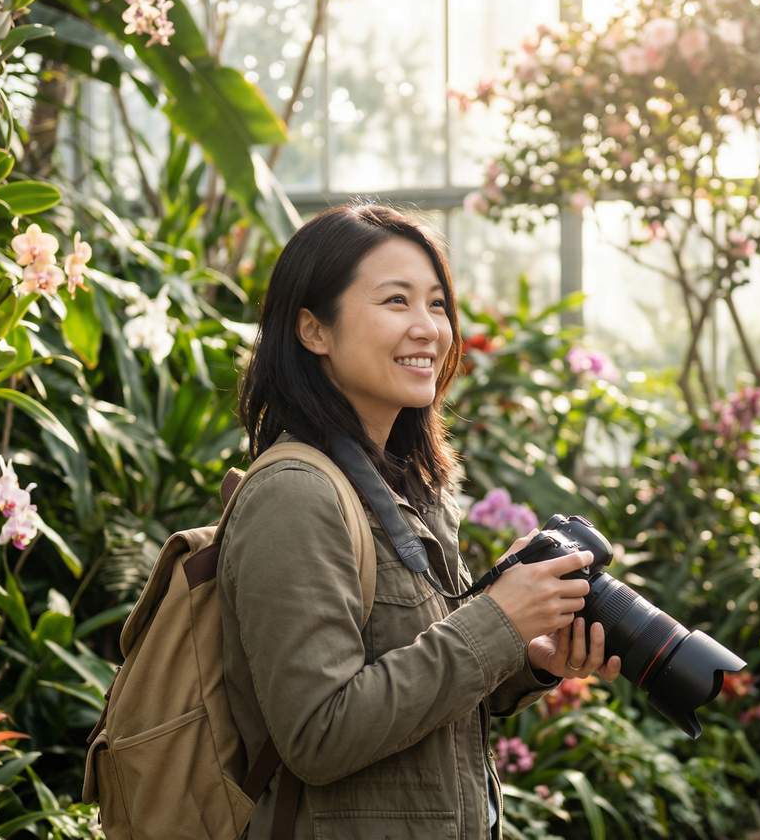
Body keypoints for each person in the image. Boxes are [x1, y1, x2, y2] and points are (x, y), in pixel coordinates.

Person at [219, 202, 621, 839]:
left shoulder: (409, 487)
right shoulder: (295, 494)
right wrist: (496, 621)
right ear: (313, 330)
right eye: (395, 301)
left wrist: (527, 654)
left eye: (437, 304)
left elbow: (420, 698)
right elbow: (318, 734)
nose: (429, 329)